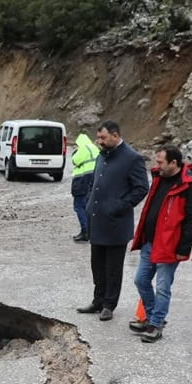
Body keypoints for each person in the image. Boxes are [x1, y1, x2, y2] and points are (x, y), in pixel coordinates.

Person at [128, 146, 192, 343]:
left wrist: (184, 248)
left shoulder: (190, 187)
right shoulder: (159, 178)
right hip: (150, 242)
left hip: (170, 246)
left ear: (174, 163)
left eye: (161, 162)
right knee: (141, 280)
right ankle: (153, 318)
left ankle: (155, 324)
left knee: (163, 287)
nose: (157, 165)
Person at [76, 121, 149, 321]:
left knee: (113, 269)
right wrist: (89, 202)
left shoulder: (132, 158)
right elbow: (93, 182)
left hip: (116, 224)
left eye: (103, 137)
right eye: (98, 137)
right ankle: (97, 301)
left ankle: (109, 305)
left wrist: (119, 206)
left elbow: (141, 188)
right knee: (97, 266)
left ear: (115, 135)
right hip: (97, 221)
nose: (99, 141)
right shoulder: (102, 155)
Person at [69, 133, 100, 242]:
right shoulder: (95, 148)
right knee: (90, 206)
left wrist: (76, 152)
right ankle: (92, 231)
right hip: (94, 179)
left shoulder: (83, 148)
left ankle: (85, 231)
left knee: (79, 206)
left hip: (82, 180)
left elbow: (75, 160)